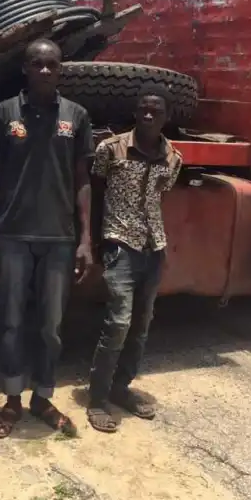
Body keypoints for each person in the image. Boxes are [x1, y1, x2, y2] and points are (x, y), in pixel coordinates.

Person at [0, 38, 94, 439]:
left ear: (61, 69)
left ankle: (42, 398)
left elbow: (82, 181)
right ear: (25, 68)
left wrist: (85, 239)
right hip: (11, 236)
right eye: (37, 63)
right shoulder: (4, 113)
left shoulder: (76, 116)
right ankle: (11, 400)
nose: (45, 70)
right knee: (10, 323)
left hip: (59, 239)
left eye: (52, 64)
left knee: (51, 326)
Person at [87, 83, 182, 433]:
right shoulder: (110, 150)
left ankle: (121, 388)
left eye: (155, 111)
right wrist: (97, 240)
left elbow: (162, 197)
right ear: (135, 112)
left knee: (141, 326)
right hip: (119, 243)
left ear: (166, 117)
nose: (147, 114)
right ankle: (97, 400)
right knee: (118, 323)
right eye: (142, 108)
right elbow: (96, 193)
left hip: (153, 248)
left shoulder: (174, 158)